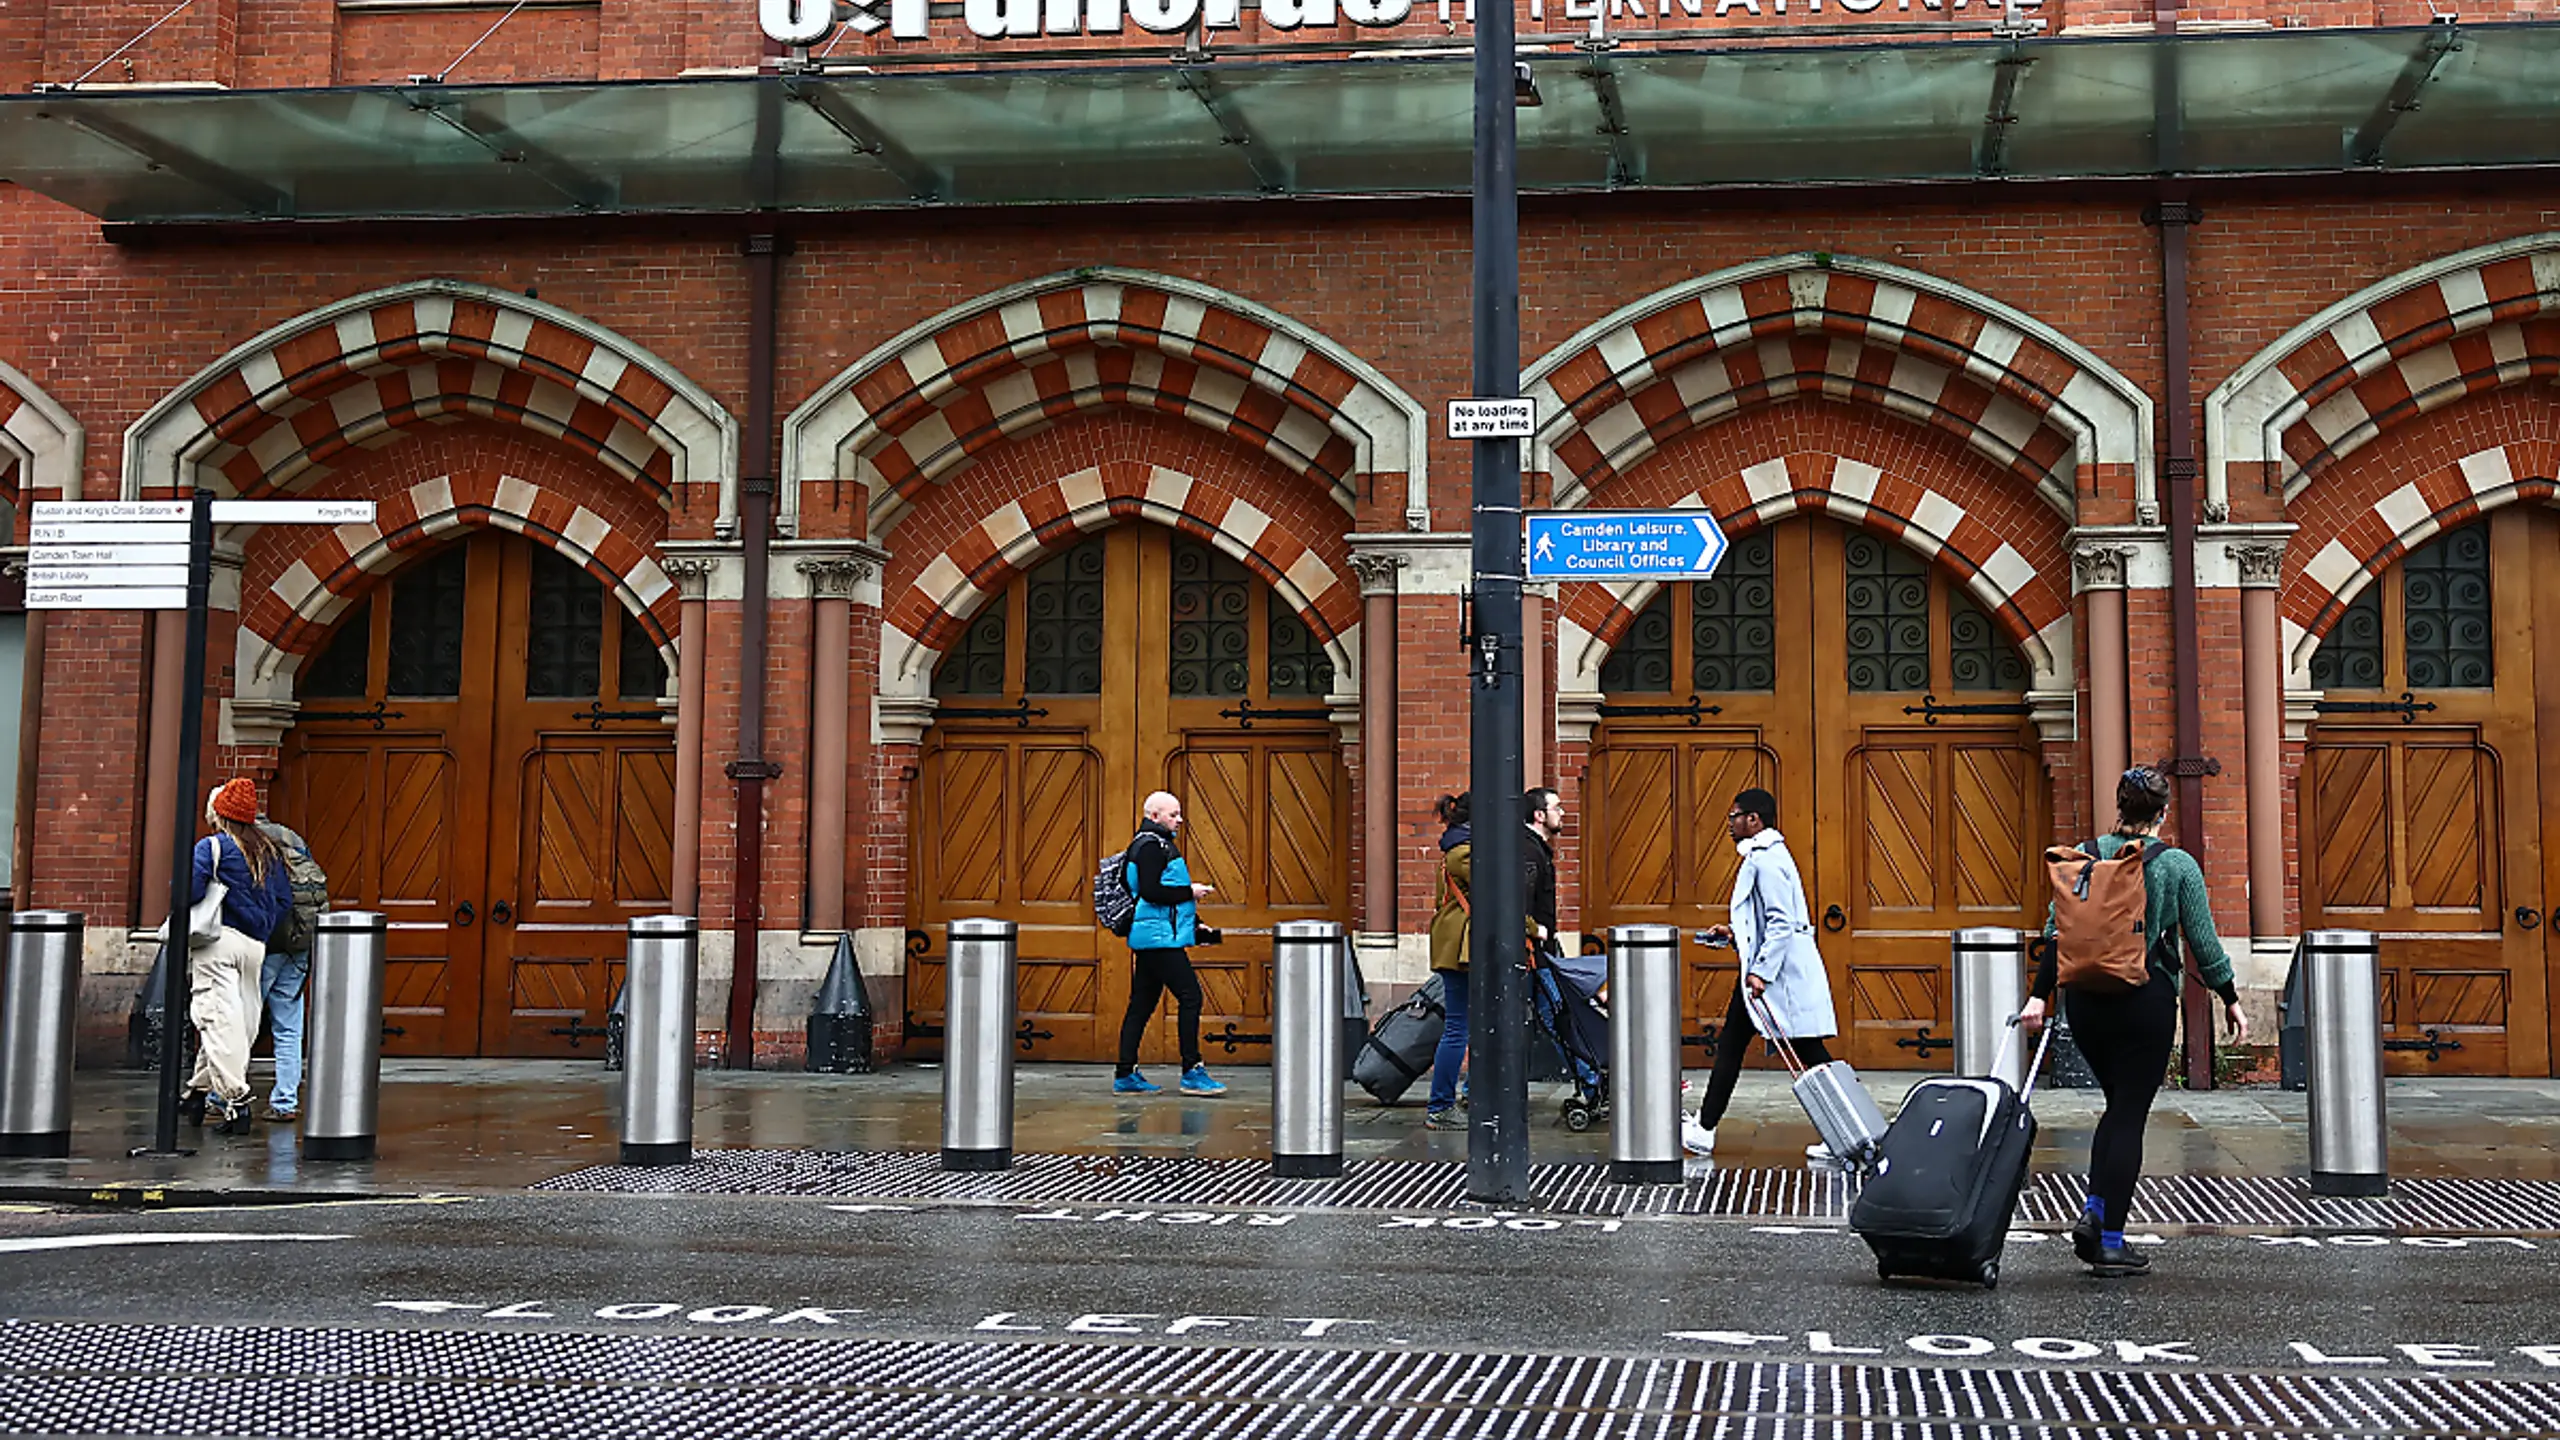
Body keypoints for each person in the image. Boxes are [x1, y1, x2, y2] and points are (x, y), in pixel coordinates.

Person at [2021, 766, 2248, 1278]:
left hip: (2084, 1001)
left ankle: (2096, 1211)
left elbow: (2056, 934)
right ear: (2163, 813)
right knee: (2129, 1113)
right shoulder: (2176, 866)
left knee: (2115, 1109)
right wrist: (2230, 996)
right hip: (2143, 1001)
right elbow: (2204, 945)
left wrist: (2039, 997)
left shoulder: (2084, 856)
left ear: (2119, 806)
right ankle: (2112, 1242)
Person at [1684, 786, 1841, 1162]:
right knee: (1739, 1047)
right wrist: (1734, 934)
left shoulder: (1765, 859)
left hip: (1774, 978)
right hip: (1772, 974)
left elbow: (1781, 922)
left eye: (1734, 816)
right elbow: (1770, 920)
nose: (1730, 824)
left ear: (1754, 819)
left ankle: (1845, 1132)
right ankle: (1705, 1128)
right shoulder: (1768, 855)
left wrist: (1761, 973)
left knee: (1806, 1051)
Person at [179, 778, 295, 1135]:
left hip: (218, 942)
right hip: (255, 947)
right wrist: (260, 922)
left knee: (216, 1020)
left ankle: (237, 1101)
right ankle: (196, 1093)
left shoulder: (211, 847)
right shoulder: (268, 851)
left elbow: (190, 890)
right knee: (240, 1025)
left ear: (221, 814)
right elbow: (284, 902)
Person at [1111, 790, 1227, 1097]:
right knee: (1191, 996)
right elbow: (1151, 892)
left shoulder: (1154, 844)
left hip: (1155, 935)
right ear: (1154, 816)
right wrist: (1191, 891)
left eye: (1178, 814)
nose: (1179, 820)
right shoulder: (1150, 846)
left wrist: (1196, 922)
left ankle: (1125, 1074)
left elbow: (1165, 894)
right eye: (1173, 814)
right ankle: (1192, 1071)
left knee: (1142, 1004)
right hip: (1159, 938)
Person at [255, 814, 328, 1123]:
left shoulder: (244, 840)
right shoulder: (291, 836)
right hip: (298, 942)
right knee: (289, 1026)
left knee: (241, 1022)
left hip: (266, 943)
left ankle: (222, 1096)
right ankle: (285, 1101)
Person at [1423, 793, 1472, 1132]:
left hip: (1459, 949)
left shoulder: (1456, 849)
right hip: (1460, 952)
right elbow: (1499, 891)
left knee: (1465, 1026)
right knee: (1458, 1028)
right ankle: (1440, 1105)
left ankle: (1460, 1097)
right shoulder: (1464, 854)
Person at [1522, 786, 1562, 951]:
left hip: (1541, 945)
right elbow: (1521, 900)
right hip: (1534, 948)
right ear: (1539, 815)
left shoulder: (1537, 848)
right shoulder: (1529, 851)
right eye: (1557, 808)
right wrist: (1537, 930)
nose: (1562, 813)